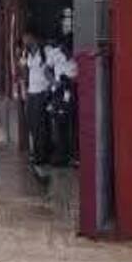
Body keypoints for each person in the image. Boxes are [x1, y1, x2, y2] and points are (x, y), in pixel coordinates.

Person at [45, 38, 78, 166]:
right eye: (64, 51)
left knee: (72, 124)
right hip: (58, 92)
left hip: (73, 91)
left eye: (68, 52)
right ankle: (60, 154)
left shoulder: (77, 55)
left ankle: (72, 155)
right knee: (59, 123)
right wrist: (54, 82)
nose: (66, 54)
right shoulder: (55, 53)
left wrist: (71, 81)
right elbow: (46, 70)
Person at [20, 31, 52, 166]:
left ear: (33, 37)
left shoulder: (46, 51)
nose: (25, 40)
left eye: (26, 37)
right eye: (23, 39)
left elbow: (51, 69)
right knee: (32, 124)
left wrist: (51, 86)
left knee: (41, 125)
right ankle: (37, 153)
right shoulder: (26, 53)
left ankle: (42, 155)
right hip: (31, 92)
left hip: (42, 91)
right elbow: (25, 71)